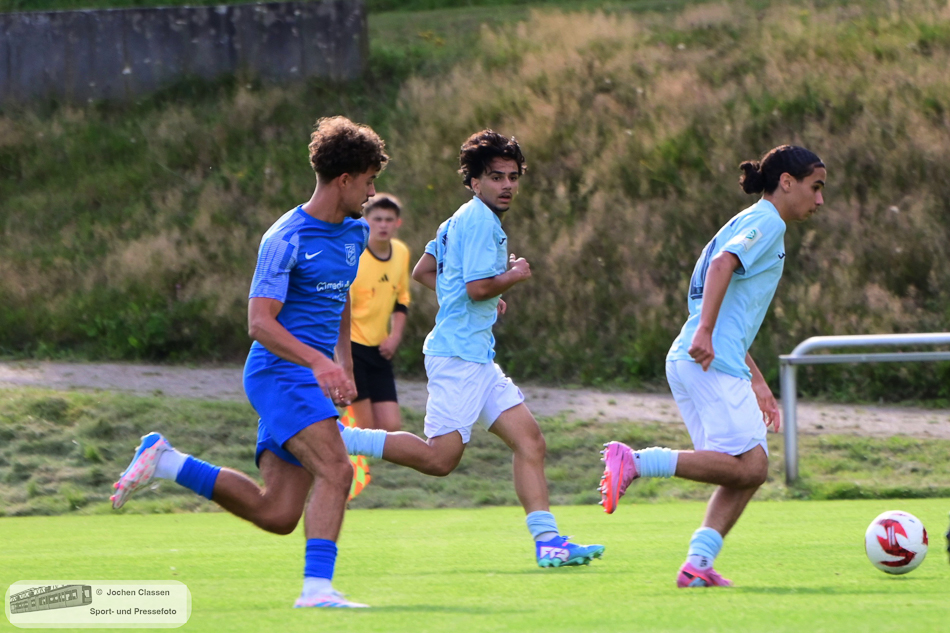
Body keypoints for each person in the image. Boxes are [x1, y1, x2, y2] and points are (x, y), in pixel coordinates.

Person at [110, 115, 389, 609]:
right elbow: (259, 324)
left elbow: (340, 296)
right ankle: (317, 590)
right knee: (338, 470)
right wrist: (319, 364)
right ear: (345, 179)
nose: (372, 193)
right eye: (368, 181)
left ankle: (167, 460)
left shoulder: (355, 234)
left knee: (277, 513)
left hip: (310, 377)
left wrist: (343, 363)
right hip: (278, 373)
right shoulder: (285, 238)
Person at [340, 129, 605, 568]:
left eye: (513, 177)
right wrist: (511, 277)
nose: (507, 185)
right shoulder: (481, 221)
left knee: (530, 441)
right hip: (458, 357)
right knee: (439, 459)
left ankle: (548, 543)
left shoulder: (457, 219)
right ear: (475, 181)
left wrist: (477, 295)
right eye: (497, 177)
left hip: (476, 358)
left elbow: (427, 271)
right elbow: (477, 286)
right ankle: (342, 436)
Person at [599, 145, 826, 587]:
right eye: (815, 187)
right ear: (787, 183)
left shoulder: (745, 221)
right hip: (708, 357)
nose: (819, 200)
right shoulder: (767, 222)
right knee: (750, 467)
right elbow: (722, 266)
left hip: (702, 357)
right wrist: (704, 332)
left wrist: (756, 380)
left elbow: (723, 307)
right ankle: (637, 462)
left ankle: (698, 563)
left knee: (744, 467)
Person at [348, 193, 411, 432]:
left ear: (398, 223)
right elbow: (338, 308)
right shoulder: (354, 256)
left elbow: (401, 299)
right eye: (377, 219)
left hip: (380, 351)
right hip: (352, 348)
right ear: (365, 221)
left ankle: (340, 436)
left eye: (389, 219)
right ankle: (338, 446)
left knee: (391, 427)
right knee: (365, 428)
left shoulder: (401, 252)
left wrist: (395, 337)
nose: (383, 225)